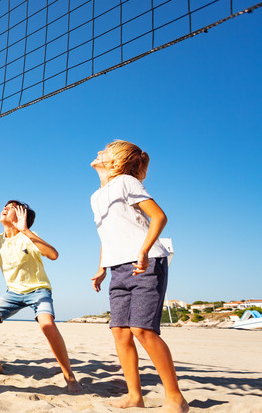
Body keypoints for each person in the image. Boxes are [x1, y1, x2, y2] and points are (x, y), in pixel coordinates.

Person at [89, 140, 189, 412]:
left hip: (146, 262)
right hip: (118, 268)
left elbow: (159, 217)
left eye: (106, 150)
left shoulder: (126, 182)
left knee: (142, 330)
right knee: (120, 332)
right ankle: (135, 396)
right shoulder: (97, 196)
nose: (99, 151)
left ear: (117, 160)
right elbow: (107, 235)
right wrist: (101, 267)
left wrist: (144, 250)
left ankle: (176, 398)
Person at [0, 202, 82, 392]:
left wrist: (26, 230)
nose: (5, 207)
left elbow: (53, 255)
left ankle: (69, 376)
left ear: (21, 216)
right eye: (4, 205)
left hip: (38, 290)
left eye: (12, 207)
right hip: (13, 292)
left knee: (47, 325)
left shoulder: (28, 236)